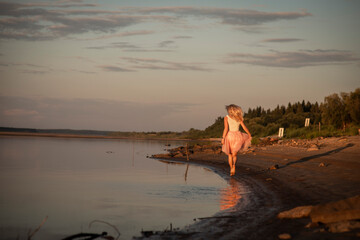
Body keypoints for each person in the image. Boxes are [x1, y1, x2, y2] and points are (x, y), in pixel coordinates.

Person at [221, 104, 252, 176]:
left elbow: (226, 129)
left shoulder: (227, 117)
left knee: (230, 154)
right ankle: (233, 166)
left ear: (230, 110)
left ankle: (232, 167)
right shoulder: (238, 118)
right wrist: (249, 134)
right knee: (233, 154)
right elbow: (244, 127)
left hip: (230, 136)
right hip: (237, 136)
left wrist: (223, 138)